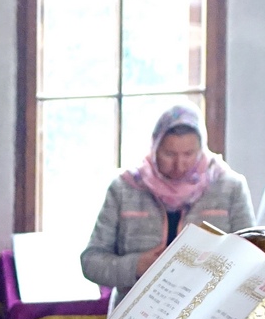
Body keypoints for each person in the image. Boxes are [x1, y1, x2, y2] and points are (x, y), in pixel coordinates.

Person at [81, 104, 255, 297]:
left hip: (205, 310)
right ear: (155, 147)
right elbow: (91, 261)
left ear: (202, 149)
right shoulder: (124, 188)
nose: (179, 165)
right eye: (169, 154)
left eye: (189, 154)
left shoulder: (230, 187)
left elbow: (249, 256)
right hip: (136, 311)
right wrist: (136, 266)